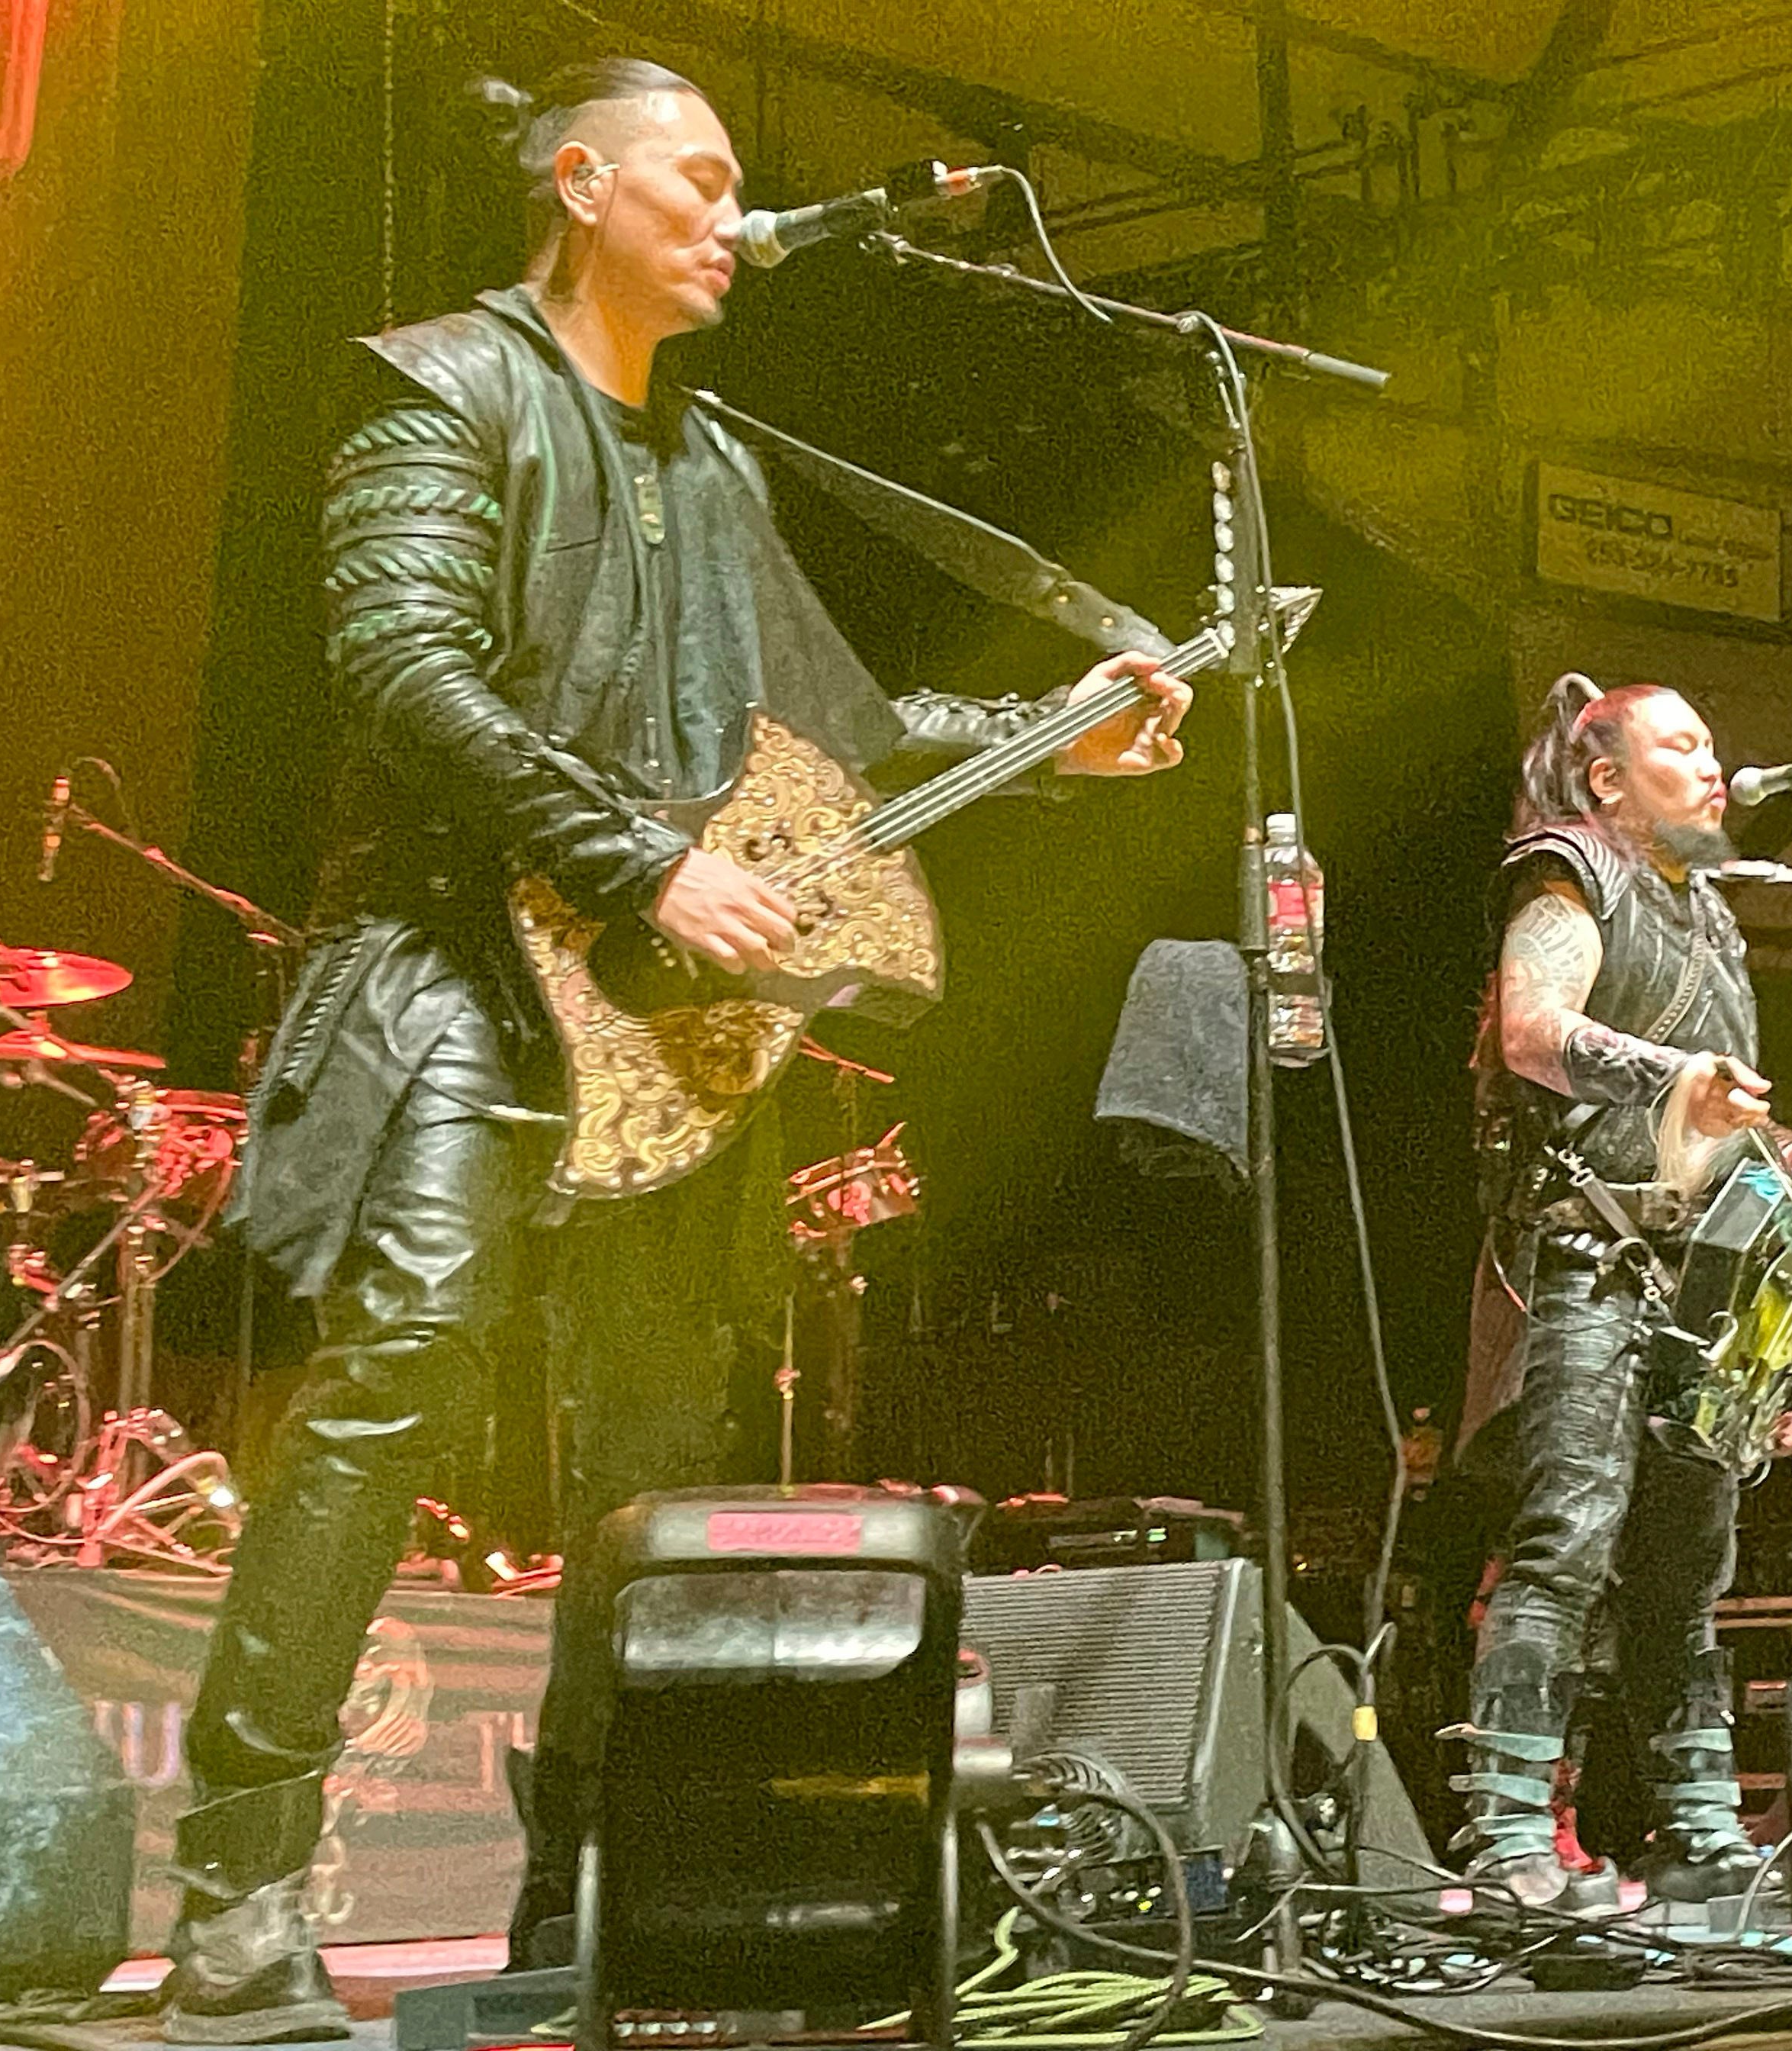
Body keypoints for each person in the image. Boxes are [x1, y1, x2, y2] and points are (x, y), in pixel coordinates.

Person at [162, 61, 1189, 2041]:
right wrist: (645, 862)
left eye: (735, 191)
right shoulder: (438, 384)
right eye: (698, 181)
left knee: (651, 1461)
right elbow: (400, 672)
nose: (731, 218)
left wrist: (1047, 726)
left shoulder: (707, 470)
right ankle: (237, 1891)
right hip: (455, 963)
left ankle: (592, 1894)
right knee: (395, 1385)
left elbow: (826, 738)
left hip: (654, 1025)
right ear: (580, 178)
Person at [1453, 673, 1792, 1908]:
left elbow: (1708, 1132)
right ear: (1607, 777)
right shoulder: (1566, 868)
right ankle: (1507, 1842)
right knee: (1566, 1542)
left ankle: (1699, 1827)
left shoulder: (1711, 919)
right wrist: (1668, 1075)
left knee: (1686, 1571)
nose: (1714, 765)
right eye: (1682, 744)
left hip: (1696, 1278)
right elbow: (1536, 1029)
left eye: (1714, 742)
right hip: (1586, 1256)